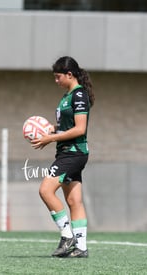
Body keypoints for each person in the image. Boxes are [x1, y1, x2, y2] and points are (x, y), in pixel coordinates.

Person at [32, 56, 94, 258]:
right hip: (67, 152)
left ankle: (67, 235)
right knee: (74, 201)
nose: (56, 81)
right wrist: (52, 128)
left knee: (45, 190)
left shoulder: (78, 95)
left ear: (70, 74)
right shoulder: (67, 96)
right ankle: (81, 247)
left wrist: (51, 138)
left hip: (73, 153)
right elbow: (69, 125)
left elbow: (80, 128)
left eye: (58, 77)